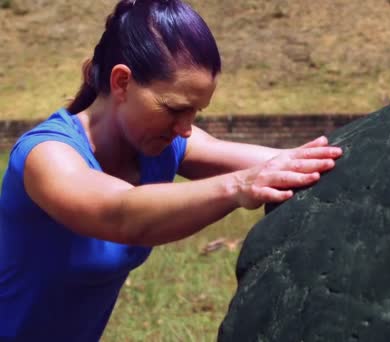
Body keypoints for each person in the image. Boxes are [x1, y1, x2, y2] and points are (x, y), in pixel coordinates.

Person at [0, 0, 342, 340]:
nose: (186, 128)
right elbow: (119, 214)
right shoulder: (47, 155)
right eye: (174, 109)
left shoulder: (161, 147)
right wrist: (239, 187)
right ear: (121, 82)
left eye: (196, 112)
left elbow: (286, 162)